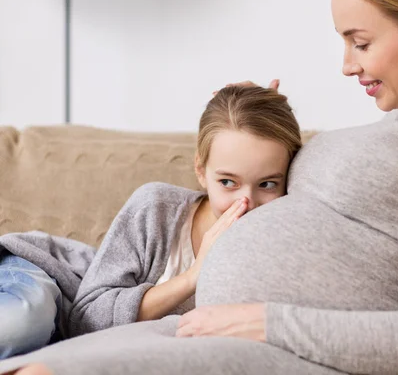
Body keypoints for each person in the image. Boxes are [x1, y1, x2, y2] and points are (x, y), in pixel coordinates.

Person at [1, 0, 398, 374]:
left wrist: (261, 321)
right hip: (207, 326)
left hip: (275, 346)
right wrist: (251, 121)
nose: (347, 65)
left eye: (361, 41)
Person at [67, 85, 302, 336]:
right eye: (227, 182)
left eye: (267, 184)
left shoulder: (290, 239)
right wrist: (194, 275)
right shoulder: (155, 211)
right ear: (201, 170)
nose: (246, 205)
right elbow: (85, 320)